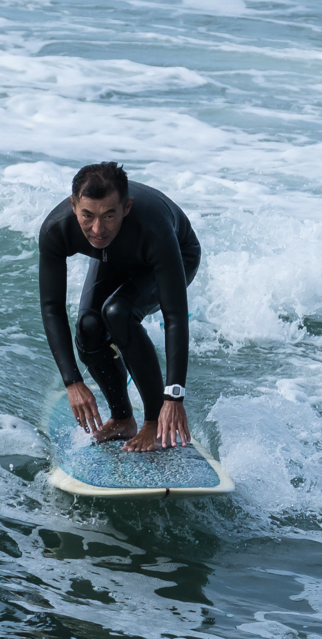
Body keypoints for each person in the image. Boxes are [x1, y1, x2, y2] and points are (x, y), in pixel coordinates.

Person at [38, 162, 200, 452]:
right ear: (74, 206)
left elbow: (175, 315)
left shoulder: (154, 227)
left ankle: (152, 421)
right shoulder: (57, 229)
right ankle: (123, 418)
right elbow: (52, 307)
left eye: (109, 215)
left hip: (177, 253)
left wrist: (174, 398)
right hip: (115, 254)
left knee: (118, 313)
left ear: (126, 207)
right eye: (87, 215)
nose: (97, 229)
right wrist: (73, 382)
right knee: (88, 327)